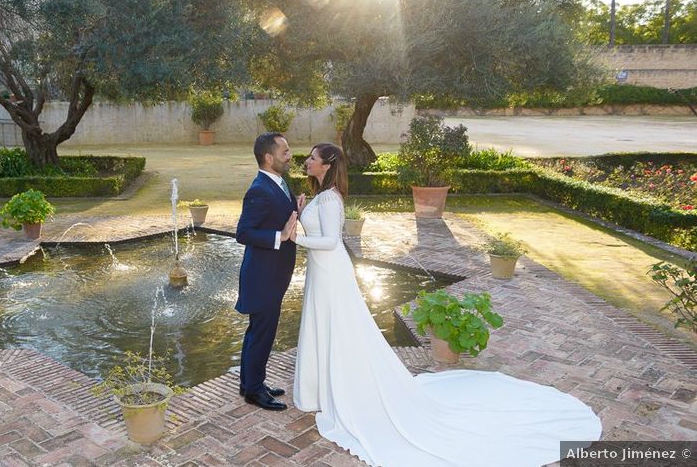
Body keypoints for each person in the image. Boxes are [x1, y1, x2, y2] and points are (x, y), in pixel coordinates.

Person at [291, 142, 602, 467]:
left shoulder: (330, 199)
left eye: (312, 158)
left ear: (326, 165)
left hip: (331, 272)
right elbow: (321, 234)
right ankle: (325, 387)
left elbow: (329, 241)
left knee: (337, 327)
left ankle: (340, 387)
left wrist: (294, 236)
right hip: (322, 272)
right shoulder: (321, 196)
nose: (307, 161)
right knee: (325, 327)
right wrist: (300, 214)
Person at [235, 132, 299, 411]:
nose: (290, 155)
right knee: (261, 333)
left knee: (258, 332)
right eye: (284, 152)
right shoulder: (259, 188)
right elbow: (243, 232)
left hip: (273, 275)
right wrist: (280, 236)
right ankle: (253, 392)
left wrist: (296, 210)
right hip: (263, 276)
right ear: (268, 157)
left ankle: (250, 383)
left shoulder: (280, 182)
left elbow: (279, 215)